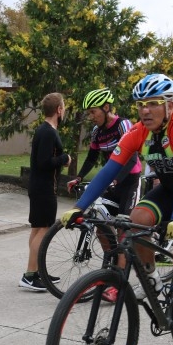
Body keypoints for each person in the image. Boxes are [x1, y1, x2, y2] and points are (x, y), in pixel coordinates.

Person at [61, 73, 173, 345]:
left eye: (153, 103)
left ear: (170, 105)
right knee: (137, 220)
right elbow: (107, 172)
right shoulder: (138, 132)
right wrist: (79, 207)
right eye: (140, 104)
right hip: (171, 189)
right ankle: (152, 281)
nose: (145, 110)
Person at [65, 87, 142, 301]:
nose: (90, 116)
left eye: (93, 112)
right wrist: (79, 177)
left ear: (106, 108)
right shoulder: (98, 132)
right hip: (112, 182)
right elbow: (91, 158)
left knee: (122, 230)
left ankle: (119, 283)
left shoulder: (123, 125)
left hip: (129, 181)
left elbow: (132, 157)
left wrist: (117, 179)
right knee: (99, 225)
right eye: (89, 113)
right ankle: (113, 265)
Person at [20, 92, 70, 291]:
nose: (64, 110)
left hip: (40, 187)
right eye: (63, 107)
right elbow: (44, 162)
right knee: (43, 230)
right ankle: (30, 276)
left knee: (37, 229)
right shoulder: (48, 132)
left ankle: (38, 271)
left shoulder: (44, 130)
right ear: (58, 110)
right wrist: (64, 158)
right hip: (44, 188)